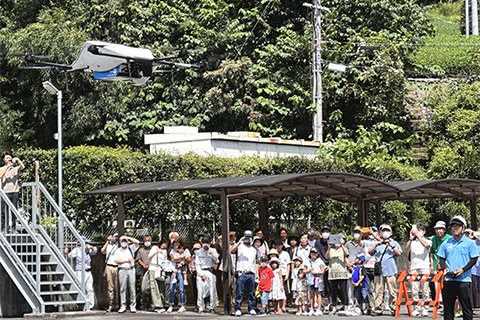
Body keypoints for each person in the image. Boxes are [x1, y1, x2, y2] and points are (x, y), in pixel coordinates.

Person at [438, 215, 479, 320]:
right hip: (448, 279)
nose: (455, 228)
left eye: (458, 226)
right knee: (448, 311)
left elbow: (474, 259)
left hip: (464, 280)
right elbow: (441, 258)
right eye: (453, 226)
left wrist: (463, 269)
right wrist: (444, 268)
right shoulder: (446, 243)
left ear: (463, 228)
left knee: (467, 309)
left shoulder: (470, 243)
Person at [370, 224, 402, 316]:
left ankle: (394, 308)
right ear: (380, 233)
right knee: (378, 290)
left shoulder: (394, 242)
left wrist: (391, 245)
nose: (385, 232)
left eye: (387, 230)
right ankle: (378, 308)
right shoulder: (377, 243)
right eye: (383, 231)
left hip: (390, 270)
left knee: (392, 290)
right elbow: (369, 251)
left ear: (391, 232)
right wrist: (376, 243)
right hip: (379, 270)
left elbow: (399, 253)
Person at [406, 224, 432, 317]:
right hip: (414, 267)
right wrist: (410, 238)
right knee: (414, 288)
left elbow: (426, 245)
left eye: (419, 230)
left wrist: (418, 235)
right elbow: (406, 251)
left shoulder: (428, 240)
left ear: (423, 231)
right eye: (417, 230)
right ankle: (417, 308)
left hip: (424, 267)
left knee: (425, 288)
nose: (417, 232)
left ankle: (425, 308)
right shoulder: (412, 241)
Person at [65, 237, 97, 311]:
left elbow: (95, 251)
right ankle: (82, 304)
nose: (86, 244)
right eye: (84, 242)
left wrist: (90, 247)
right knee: (81, 288)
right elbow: (69, 256)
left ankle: (90, 305)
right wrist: (67, 250)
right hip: (80, 271)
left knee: (90, 289)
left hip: (88, 271)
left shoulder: (88, 250)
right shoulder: (77, 250)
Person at [231, 230, 257, 316]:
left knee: (251, 293)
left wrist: (256, 274)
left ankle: (251, 308)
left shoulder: (254, 249)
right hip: (241, 272)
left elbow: (255, 262)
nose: (248, 239)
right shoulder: (240, 246)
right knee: (239, 292)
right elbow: (231, 251)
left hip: (251, 273)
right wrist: (239, 242)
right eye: (246, 237)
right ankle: (238, 308)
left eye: (249, 237)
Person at [114, 235, 140, 313]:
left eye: (125, 241)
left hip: (131, 270)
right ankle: (123, 305)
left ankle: (133, 306)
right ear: (120, 242)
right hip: (122, 270)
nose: (124, 242)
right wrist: (126, 260)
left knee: (132, 288)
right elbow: (116, 260)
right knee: (122, 289)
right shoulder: (118, 250)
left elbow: (137, 242)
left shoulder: (131, 248)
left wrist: (127, 237)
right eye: (122, 241)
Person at [195, 236, 219, 313]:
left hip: (210, 271)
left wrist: (211, 254)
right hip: (201, 271)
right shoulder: (198, 252)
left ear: (210, 243)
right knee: (200, 290)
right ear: (201, 243)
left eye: (207, 243)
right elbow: (197, 264)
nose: (206, 244)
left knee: (212, 289)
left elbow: (217, 261)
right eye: (204, 242)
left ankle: (212, 306)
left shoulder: (213, 250)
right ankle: (200, 306)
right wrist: (200, 274)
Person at [327, 235, 349, 313]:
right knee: (333, 290)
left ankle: (346, 305)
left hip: (342, 272)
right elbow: (327, 257)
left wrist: (342, 244)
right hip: (332, 272)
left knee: (343, 290)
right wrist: (329, 246)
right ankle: (334, 306)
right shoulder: (331, 249)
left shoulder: (343, 248)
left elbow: (347, 253)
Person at [168, 239, 190, 313]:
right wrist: (182, 257)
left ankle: (182, 305)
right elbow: (173, 258)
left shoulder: (186, 250)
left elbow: (188, 259)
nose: (176, 246)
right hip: (174, 271)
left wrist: (181, 259)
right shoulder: (172, 251)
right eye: (174, 245)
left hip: (182, 271)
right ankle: (171, 304)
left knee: (181, 289)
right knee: (171, 289)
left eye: (177, 245)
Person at [101, 233, 120, 312]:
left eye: (115, 237)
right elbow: (102, 251)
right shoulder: (108, 245)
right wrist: (107, 241)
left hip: (117, 267)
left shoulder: (118, 246)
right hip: (109, 266)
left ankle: (117, 304)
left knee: (117, 287)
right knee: (110, 287)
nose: (114, 238)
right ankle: (110, 305)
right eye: (113, 236)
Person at [346, 226, 364, 305]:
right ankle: (350, 302)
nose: (356, 234)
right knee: (349, 286)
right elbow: (345, 255)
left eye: (358, 232)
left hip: (358, 268)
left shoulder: (362, 244)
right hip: (349, 268)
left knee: (358, 285)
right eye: (355, 232)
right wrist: (348, 264)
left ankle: (358, 302)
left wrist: (354, 262)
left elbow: (362, 256)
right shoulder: (348, 244)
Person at [306, 247, 326, 315]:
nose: (313, 254)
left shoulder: (320, 261)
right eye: (312, 253)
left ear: (317, 254)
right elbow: (304, 270)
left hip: (318, 279)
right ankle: (311, 308)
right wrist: (309, 270)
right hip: (310, 279)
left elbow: (323, 270)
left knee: (318, 294)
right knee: (311, 294)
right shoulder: (308, 260)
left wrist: (317, 272)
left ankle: (318, 309)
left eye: (315, 253)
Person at [136, 235, 153, 310]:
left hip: (152, 270)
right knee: (143, 288)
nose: (147, 242)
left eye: (149, 240)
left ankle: (150, 304)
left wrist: (150, 265)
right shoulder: (141, 250)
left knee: (151, 288)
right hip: (143, 271)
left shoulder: (153, 249)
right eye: (146, 240)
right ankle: (143, 304)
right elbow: (138, 259)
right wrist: (143, 265)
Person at [274, 240, 291, 312]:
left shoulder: (286, 254)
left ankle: (283, 306)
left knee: (283, 290)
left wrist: (287, 274)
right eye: (277, 245)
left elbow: (288, 264)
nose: (278, 246)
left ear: (282, 246)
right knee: (276, 290)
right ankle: (276, 307)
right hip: (275, 274)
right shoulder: (273, 253)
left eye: (280, 245)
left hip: (283, 274)